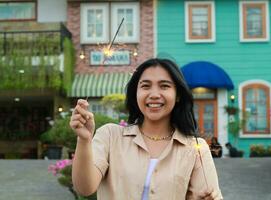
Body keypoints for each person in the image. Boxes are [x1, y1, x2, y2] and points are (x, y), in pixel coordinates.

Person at [70, 58, 223, 200]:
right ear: (136, 93)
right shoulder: (110, 136)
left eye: (164, 86)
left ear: (178, 95)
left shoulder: (196, 149)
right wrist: (84, 139)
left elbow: (207, 194)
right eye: (145, 86)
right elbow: (84, 188)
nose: (154, 94)